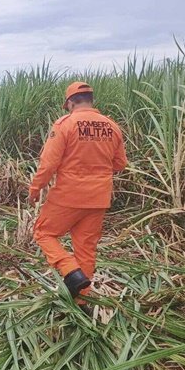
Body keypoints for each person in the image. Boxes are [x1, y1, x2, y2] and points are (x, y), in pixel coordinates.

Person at [28, 81, 127, 309]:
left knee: (43, 232)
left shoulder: (65, 124)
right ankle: (82, 300)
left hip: (68, 196)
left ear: (70, 102)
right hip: (99, 198)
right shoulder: (112, 126)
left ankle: (70, 271)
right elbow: (120, 164)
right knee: (86, 248)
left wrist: (35, 190)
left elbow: (48, 164)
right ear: (92, 100)